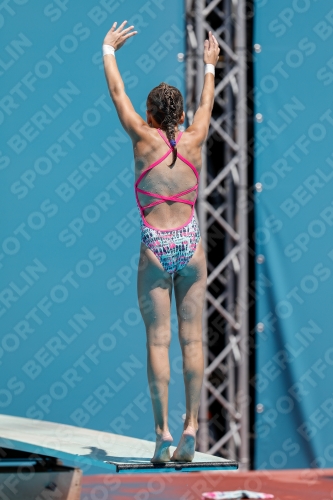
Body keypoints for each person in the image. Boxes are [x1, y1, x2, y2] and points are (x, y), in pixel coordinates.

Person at [103, 21, 219, 462]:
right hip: (190, 244)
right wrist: (209, 66)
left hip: (155, 245)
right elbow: (208, 102)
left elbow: (118, 95)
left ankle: (162, 433)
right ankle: (192, 425)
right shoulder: (195, 137)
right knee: (193, 340)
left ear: (150, 116)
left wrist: (108, 51)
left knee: (158, 342)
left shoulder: (141, 137)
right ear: (181, 116)